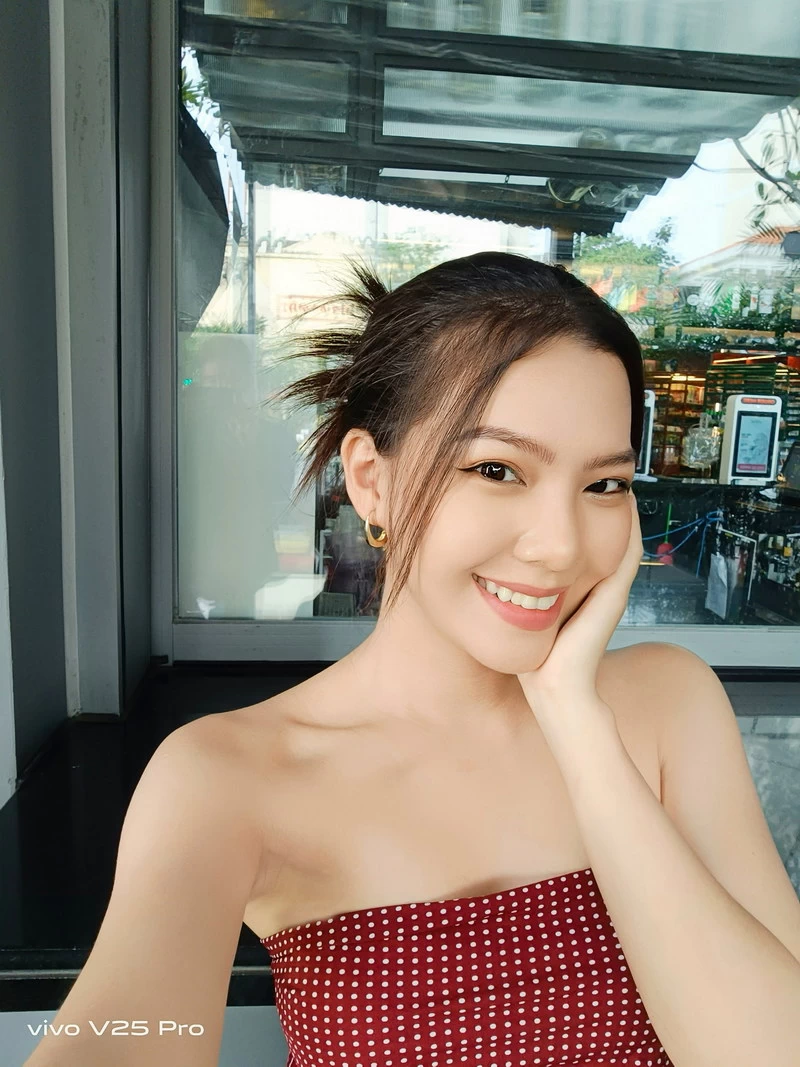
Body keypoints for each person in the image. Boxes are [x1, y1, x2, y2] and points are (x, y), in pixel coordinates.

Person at [27, 251, 671, 1066]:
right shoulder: (230, 777)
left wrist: (580, 726)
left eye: (604, 485)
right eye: (496, 469)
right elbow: (125, 1034)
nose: (561, 545)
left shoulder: (664, 709)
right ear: (370, 479)